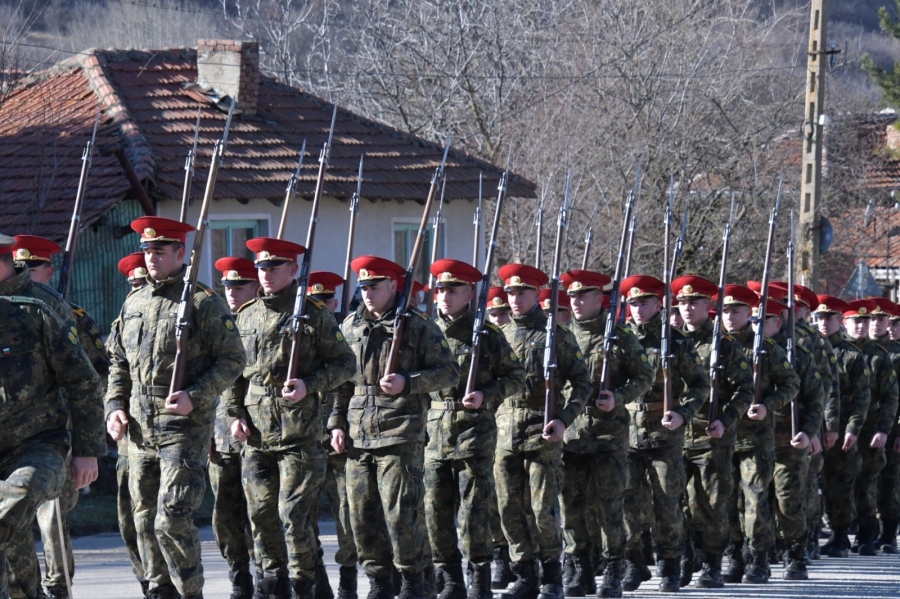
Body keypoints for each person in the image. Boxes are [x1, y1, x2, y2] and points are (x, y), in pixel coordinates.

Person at [105, 216, 246, 599]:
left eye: (159, 251)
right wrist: (115, 405)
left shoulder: (202, 302)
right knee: (143, 520)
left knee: (172, 517)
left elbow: (233, 359)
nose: (151, 258)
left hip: (182, 426)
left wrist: (195, 395)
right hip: (138, 426)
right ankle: (158, 590)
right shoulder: (135, 301)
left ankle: (190, 592)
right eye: (146, 251)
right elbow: (118, 360)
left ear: (180, 253)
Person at [223, 240, 355, 599]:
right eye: (262, 268)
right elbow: (232, 373)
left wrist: (309, 385)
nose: (266, 275)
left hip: (299, 433)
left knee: (293, 516)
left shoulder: (314, 314)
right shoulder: (245, 314)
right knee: (261, 515)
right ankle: (273, 585)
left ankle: (304, 586)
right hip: (255, 435)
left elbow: (346, 364)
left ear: (293, 271)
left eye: (275, 268)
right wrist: (233, 415)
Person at [327, 256, 459, 599]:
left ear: (392, 286)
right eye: (364, 287)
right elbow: (342, 381)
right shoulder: (350, 325)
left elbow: (449, 372)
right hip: (358, 433)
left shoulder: (417, 325)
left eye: (375, 286)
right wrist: (336, 423)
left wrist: (409, 381)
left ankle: (414, 582)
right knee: (361, 516)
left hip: (401, 430)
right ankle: (379, 583)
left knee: (401, 514)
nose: (368, 293)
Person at [0, 232, 105, 599]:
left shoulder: (42, 308)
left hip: (41, 441)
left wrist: (85, 448)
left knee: (24, 516)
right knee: (14, 546)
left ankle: (56, 587)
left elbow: (86, 378)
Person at [424, 259, 525, 599]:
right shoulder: (425, 330)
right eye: (440, 290)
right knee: (435, 511)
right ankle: (449, 577)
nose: (445, 297)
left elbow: (516, 377)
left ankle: (479, 576)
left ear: (469, 293)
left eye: (453, 290)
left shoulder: (487, 334)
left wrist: (487, 394)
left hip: (474, 434)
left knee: (474, 512)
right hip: (434, 434)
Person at [490, 263, 591, 599]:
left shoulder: (556, 335)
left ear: (537, 294)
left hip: (542, 429)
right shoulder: (497, 335)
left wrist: (564, 418)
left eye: (522, 292)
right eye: (510, 292)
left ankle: (551, 575)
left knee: (541, 508)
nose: (515, 299)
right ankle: (525, 574)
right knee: (508, 508)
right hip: (504, 432)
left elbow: (582, 383)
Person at [559, 270, 653, 598]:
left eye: (583, 296)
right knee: (572, 506)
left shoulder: (620, 335)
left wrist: (619, 397)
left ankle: (614, 566)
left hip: (607, 435)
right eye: (572, 297)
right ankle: (581, 567)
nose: (576, 302)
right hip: (571, 434)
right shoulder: (562, 334)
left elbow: (644, 376)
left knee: (610, 506)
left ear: (600, 299)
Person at [619, 275, 709, 593]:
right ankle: (634, 561)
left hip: (663, 436)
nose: (638, 309)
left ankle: (670, 565)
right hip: (626, 436)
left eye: (645, 303)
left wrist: (683, 413)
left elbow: (700, 384)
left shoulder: (675, 342)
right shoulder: (620, 339)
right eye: (633, 303)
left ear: (659, 305)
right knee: (627, 502)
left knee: (667, 504)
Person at [674, 275, 753, 589]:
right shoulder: (672, 342)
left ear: (709, 306)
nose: (688, 307)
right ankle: (683, 556)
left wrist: (727, 418)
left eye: (695, 302)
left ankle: (711, 563)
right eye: (682, 302)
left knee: (710, 503)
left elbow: (745, 389)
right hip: (675, 434)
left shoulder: (725, 345)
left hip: (711, 434)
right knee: (674, 502)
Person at [719, 284, 799, 584]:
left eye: (736, 310)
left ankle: (758, 559)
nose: (730, 316)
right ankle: (735, 555)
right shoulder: (715, 346)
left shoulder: (766, 348)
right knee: (725, 501)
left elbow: (791, 384)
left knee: (754, 501)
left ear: (750, 313)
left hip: (755, 437)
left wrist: (768, 405)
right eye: (725, 310)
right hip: (722, 436)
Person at [757, 294, 823, 581]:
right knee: (755, 498)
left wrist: (809, 432)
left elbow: (815, 398)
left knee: (787, 499)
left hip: (789, 436)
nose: (759, 326)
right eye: (755, 320)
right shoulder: (742, 349)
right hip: (753, 437)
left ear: (778, 320)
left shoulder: (797, 353)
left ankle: (795, 554)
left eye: (765, 321)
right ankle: (755, 556)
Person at [307, 270, 359, 599]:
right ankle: (316, 581)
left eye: (325, 301)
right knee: (304, 513)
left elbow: (348, 382)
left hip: (341, 434)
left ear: (335, 301)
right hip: (306, 434)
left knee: (346, 513)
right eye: (315, 302)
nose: (321, 307)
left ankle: (348, 579)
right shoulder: (302, 336)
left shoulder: (347, 334)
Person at [210, 256, 260, 599]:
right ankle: (239, 578)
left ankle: (271, 578)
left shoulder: (263, 323)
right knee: (224, 516)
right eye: (226, 286)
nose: (231, 292)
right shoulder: (213, 323)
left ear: (255, 286)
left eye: (239, 285)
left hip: (259, 435)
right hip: (221, 435)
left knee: (261, 513)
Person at [813, 296, 871, 559]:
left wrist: (852, 429)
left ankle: (839, 536)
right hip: (813, 427)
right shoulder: (808, 349)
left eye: (829, 318)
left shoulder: (851, 355)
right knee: (811, 484)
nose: (824, 323)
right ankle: (809, 534)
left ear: (839, 321)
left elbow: (862, 398)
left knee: (841, 484)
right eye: (820, 318)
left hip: (842, 430)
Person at [842, 299, 898, 556]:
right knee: (842, 482)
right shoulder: (841, 351)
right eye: (864, 320)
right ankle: (842, 532)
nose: (871, 325)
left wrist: (890, 429)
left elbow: (891, 397)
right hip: (843, 427)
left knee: (877, 484)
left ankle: (876, 533)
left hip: (878, 427)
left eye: (877, 320)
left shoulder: (886, 356)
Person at [110, 252, 150, 597]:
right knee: (130, 518)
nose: (137, 289)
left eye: (143, 283)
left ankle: (167, 584)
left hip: (167, 432)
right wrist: (113, 408)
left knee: (163, 519)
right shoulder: (124, 321)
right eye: (134, 284)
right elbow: (114, 369)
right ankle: (147, 583)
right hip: (129, 437)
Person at [873, 298, 900, 553]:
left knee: (890, 481)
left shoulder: (897, 354)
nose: (885, 326)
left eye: (890, 322)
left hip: (893, 428)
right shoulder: (864, 350)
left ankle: (888, 532)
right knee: (869, 480)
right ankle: (866, 530)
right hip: (868, 424)